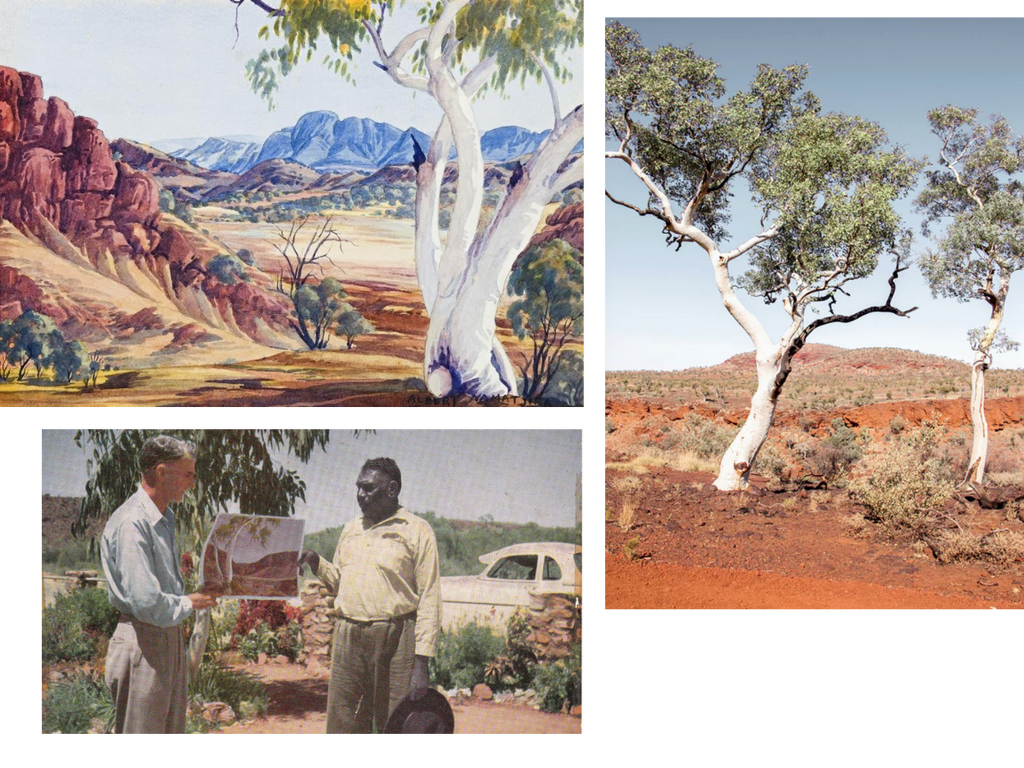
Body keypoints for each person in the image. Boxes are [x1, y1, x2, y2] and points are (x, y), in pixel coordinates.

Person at [299, 457, 442, 735]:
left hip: (396, 638)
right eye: (358, 487)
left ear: (391, 489)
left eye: (368, 488)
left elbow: (429, 597)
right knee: (344, 721)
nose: (360, 495)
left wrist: (421, 662)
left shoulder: (417, 530)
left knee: (396, 722)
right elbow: (341, 582)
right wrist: (317, 563)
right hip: (348, 637)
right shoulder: (351, 529)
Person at [100, 435, 220, 736]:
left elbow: (163, 591)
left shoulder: (164, 518)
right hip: (143, 639)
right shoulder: (133, 522)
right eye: (188, 474)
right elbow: (147, 602)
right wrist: (191, 602)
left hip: (165, 638)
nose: (192, 482)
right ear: (163, 472)